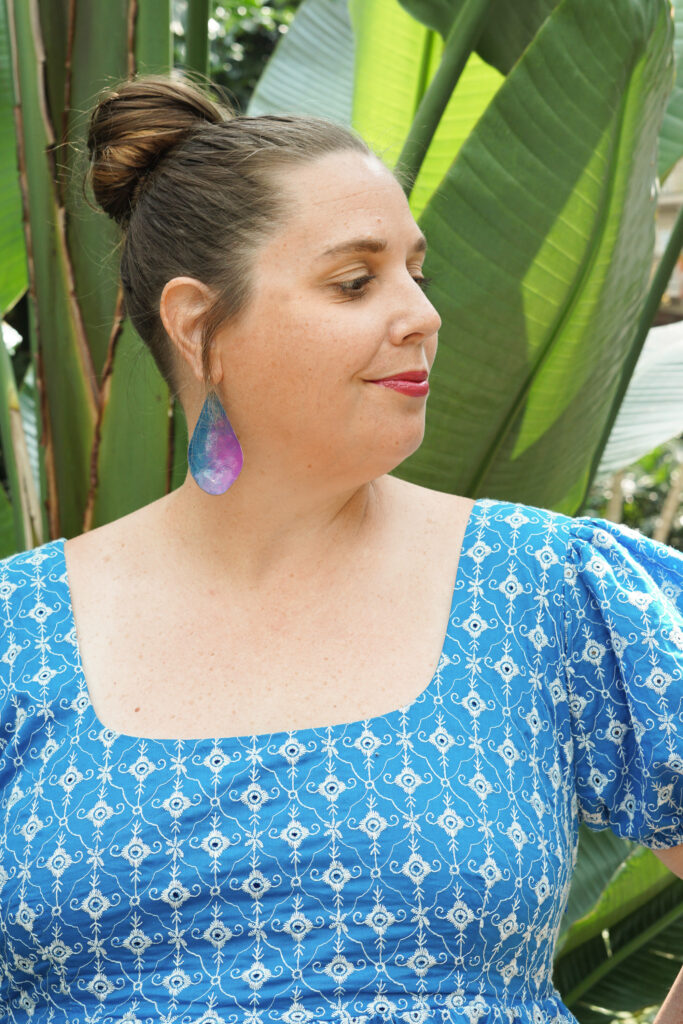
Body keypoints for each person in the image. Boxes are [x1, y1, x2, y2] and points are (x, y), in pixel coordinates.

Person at [0, 72, 681, 1024]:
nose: (421, 314)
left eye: (416, 271)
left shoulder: (544, 588)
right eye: (356, 281)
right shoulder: (15, 634)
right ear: (199, 325)